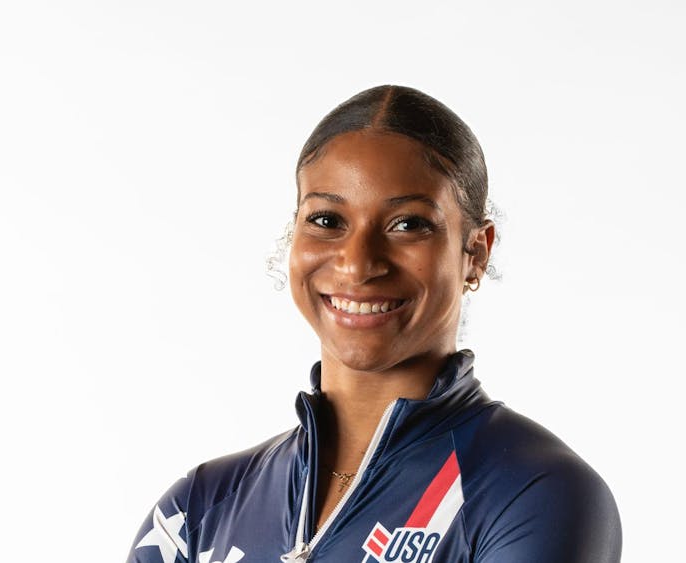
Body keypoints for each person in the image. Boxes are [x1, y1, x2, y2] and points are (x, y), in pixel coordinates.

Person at [125, 85, 622, 563]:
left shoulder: (533, 494)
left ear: (476, 252)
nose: (358, 264)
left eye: (408, 224)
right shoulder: (197, 509)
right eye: (326, 220)